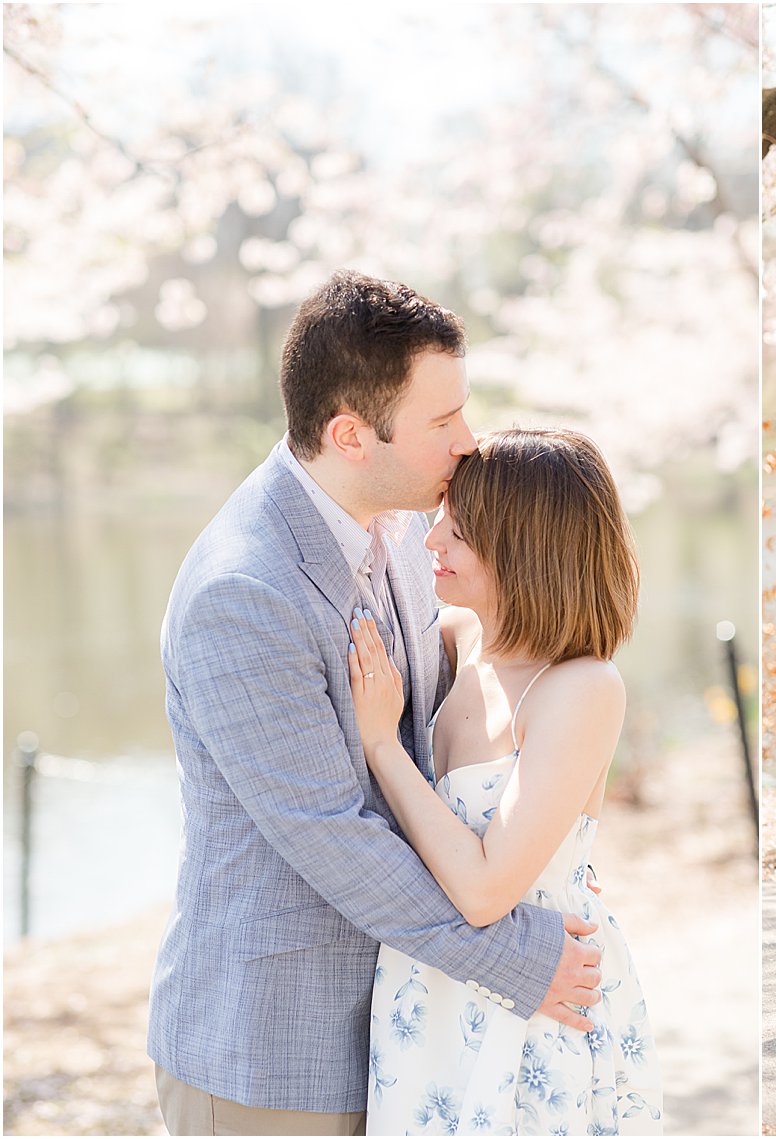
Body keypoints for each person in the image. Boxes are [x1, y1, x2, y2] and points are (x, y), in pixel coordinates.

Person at [149, 271, 604, 1135]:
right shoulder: (244, 593)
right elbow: (333, 830)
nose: (469, 443)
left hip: (408, 1039)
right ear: (351, 434)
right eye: (442, 423)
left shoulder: (397, 531)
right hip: (273, 1053)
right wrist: (516, 957)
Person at [352, 427, 662, 1134]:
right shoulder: (459, 642)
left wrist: (381, 742)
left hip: (533, 996)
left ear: (522, 551)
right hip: (429, 988)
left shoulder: (580, 686)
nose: (431, 544)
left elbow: (488, 885)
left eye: (456, 533)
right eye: (440, 521)